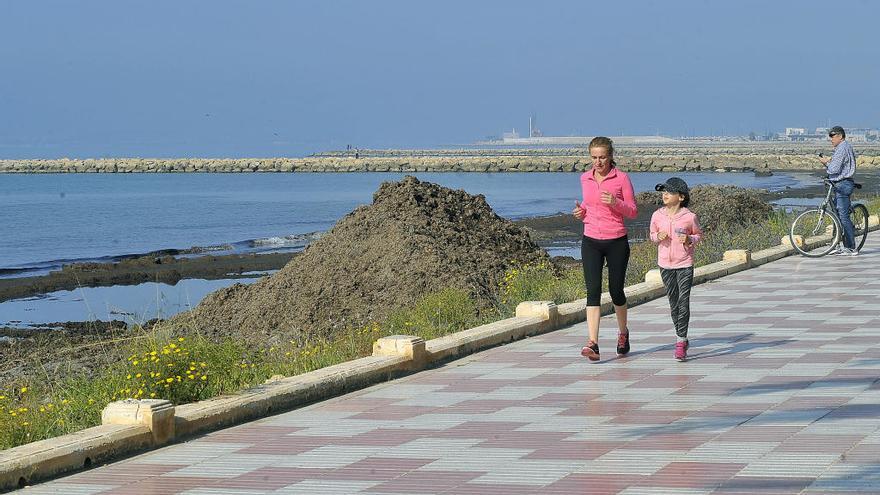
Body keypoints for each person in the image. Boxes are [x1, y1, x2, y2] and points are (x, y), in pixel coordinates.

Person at [572, 137, 637, 361]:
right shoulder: (585, 178)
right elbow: (588, 206)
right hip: (590, 239)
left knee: (616, 291)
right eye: (594, 158)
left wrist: (615, 203)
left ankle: (623, 332)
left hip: (616, 240)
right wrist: (581, 214)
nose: (597, 162)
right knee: (593, 291)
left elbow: (633, 211)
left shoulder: (622, 178)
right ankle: (593, 343)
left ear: (610, 156)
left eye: (602, 157)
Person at [649, 178, 702, 361]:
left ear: (680, 197)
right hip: (665, 264)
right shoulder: (657, 215)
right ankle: (681, 335)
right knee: (673, 303)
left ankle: (680, 341)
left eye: (669, 192)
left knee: (683, 300)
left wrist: (689, 240)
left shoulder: (689, 216)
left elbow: (698, 235)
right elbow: (652, 235)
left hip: (685, 263)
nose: (664, 195)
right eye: (663, 191)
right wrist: (658, 236)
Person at [819, 126, 858, 255]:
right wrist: (830, 160)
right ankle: (837, 244)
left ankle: (851, 247)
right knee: (836, 214)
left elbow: (834, 169)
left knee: (842, 215)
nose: (831, 139)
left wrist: (825, 163)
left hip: (843, 184)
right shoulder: (842, 147)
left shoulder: (842, 148)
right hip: (839, 183)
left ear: (840, 136)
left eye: (833, 136)